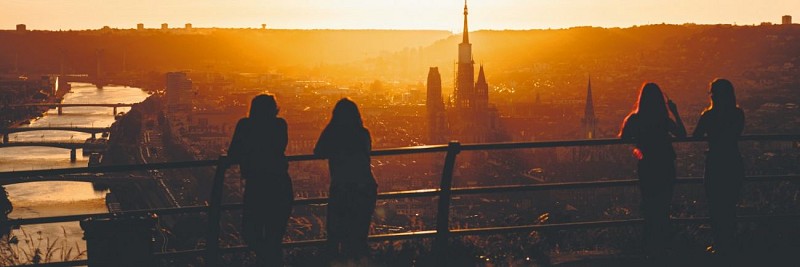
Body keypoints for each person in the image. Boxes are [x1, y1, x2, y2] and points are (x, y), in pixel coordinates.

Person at [619, 83, 686, 259]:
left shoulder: (635, 118)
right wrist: (675, 112)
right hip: (665, 165)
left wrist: (639, 142)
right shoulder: (663, 119)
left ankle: (650, 247)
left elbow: (623, 136)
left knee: (649, 206)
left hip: (647, 165)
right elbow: (682, 134)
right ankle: (662, 247)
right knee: (663, 206)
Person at [227, 94, 293, 266]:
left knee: (251, 233)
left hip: (257, 186)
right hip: (280, 185)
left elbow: (233, 153)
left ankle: (267, 260)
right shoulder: (280, 125)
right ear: (274, 109)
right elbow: (280, 147)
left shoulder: (245, 125)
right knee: (275, 236)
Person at [314, 98, 377, 265]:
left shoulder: (334, 135)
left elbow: (318, 151)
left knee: (336, 235)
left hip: (343, 188)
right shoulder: (363, 133)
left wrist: (330, 126)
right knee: (359, 236)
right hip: (365, 188)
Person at [693, 78, 745, 256]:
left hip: (715, 164)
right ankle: (731, 245)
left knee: (715, 207)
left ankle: (719, 245)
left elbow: (696, 136)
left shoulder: (708, 116)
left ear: (713, 95)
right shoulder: (738, 114)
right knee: (730, 206)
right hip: (733, 162)